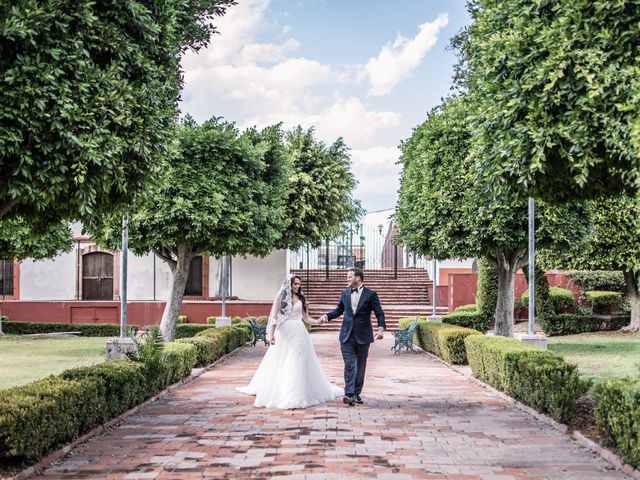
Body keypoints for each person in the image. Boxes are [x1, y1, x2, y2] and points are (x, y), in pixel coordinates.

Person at [236, 274, 342, 409]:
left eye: (299, 284)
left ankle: (298, 392)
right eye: (295, 284)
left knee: (299, 360)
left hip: (299, 333)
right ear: (289, 285)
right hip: (284, 333)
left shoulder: (301, 299)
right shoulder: (280, 297)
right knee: (281, 360)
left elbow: (306, 318)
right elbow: (274, 317)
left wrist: (318, 322)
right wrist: (272, 335)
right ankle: (281, 390)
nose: (298, 286)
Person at [319, 267, 385, 406]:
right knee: (350, 364)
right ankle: (349, 394)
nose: (347, 279)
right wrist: (327, 316)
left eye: (349, 276)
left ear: (358, 278)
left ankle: (356, 393)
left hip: (363, 336)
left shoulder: (371, 294)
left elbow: (379, 312)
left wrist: (380, 330)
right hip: (346, 335)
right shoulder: (344, 293)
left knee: (360, 366)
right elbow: (339, 310)